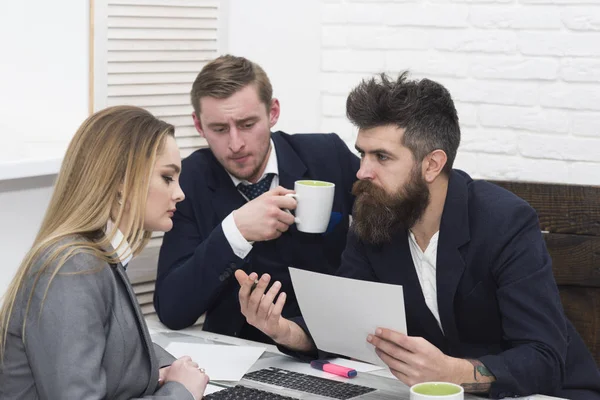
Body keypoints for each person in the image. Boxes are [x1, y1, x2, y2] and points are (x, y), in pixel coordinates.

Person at [234, 73, 600, 399]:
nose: (363, 171)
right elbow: (346, 326)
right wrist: (284, 330)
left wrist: (452, 373)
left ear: (432, 164)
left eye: (382, 156)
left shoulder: (506, 223)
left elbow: (544, 358)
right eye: (362, 153)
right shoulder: (374, 217)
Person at [0, 106, 209, 399]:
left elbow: (117, 343)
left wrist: (165, 367)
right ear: (122, 181)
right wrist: (179, 392)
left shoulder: (97, 258)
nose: (179, 193)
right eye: (167, 178)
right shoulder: (72, 268)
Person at [154, 55, 360, 342]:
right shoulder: (191, 180)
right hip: (235, 356)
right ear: (199, 126)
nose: (235, 144)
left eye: (248, 124)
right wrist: (235, 232)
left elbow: (392, 229)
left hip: (325, 344)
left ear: (273, 112)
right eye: (219, 129)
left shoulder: (327, 156)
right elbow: (172, 310)